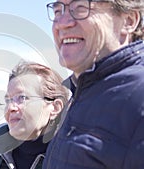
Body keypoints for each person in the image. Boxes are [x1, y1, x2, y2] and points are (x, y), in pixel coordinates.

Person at [43, 0, 144, 169]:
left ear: (129, 21)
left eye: (81, 7)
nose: (62, 23)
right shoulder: (82, 93)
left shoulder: (138, 98)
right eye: (58, 11)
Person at [0, 61, 69, 169]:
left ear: (55, 107)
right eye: (8, 100)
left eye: (23, 98)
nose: (11, 107)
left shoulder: (77, 155)